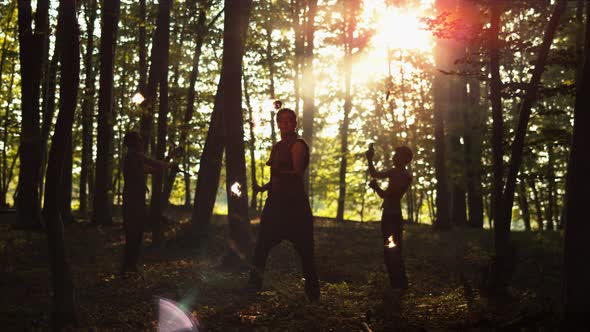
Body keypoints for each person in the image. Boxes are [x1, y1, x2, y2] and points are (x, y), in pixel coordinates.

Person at [249, 107, 320, 301]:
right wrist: (263, 188)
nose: (285, 124)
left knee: (305, 250)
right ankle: (252, 287)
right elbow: (276, 178)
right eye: (281, 121)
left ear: (295, 123)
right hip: (275, 204)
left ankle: (313, 293)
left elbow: (296, 173)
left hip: (294, 205)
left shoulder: (298, 145)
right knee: (262, 246)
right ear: (278, 123)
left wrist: (279, 171)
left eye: (289, 121)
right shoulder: (278, 146)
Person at [120, 131, 176, 274]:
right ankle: (128, 267)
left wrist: (168, 158)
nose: (142, 143)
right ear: (134, 143)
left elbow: (154, 169)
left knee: (135, 234)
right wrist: (169, 162)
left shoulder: (133, 158)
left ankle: (130, 267)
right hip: (133, 202)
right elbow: (157, 165)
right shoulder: (135, 156)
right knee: (134, 234)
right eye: (139, 140)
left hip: (134, 201)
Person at [366, 143, 413, 289]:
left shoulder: (405, 176)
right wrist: (369, 159)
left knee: (392, 249)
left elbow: (389, 196)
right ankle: (397, 284)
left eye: (396, 155)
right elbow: (375, 174)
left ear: (405, 159)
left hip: (392, 217)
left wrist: (376, 187)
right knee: (390, 249)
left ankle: (399, 284)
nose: (393, 157)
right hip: (388, 215)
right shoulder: (395, 172)